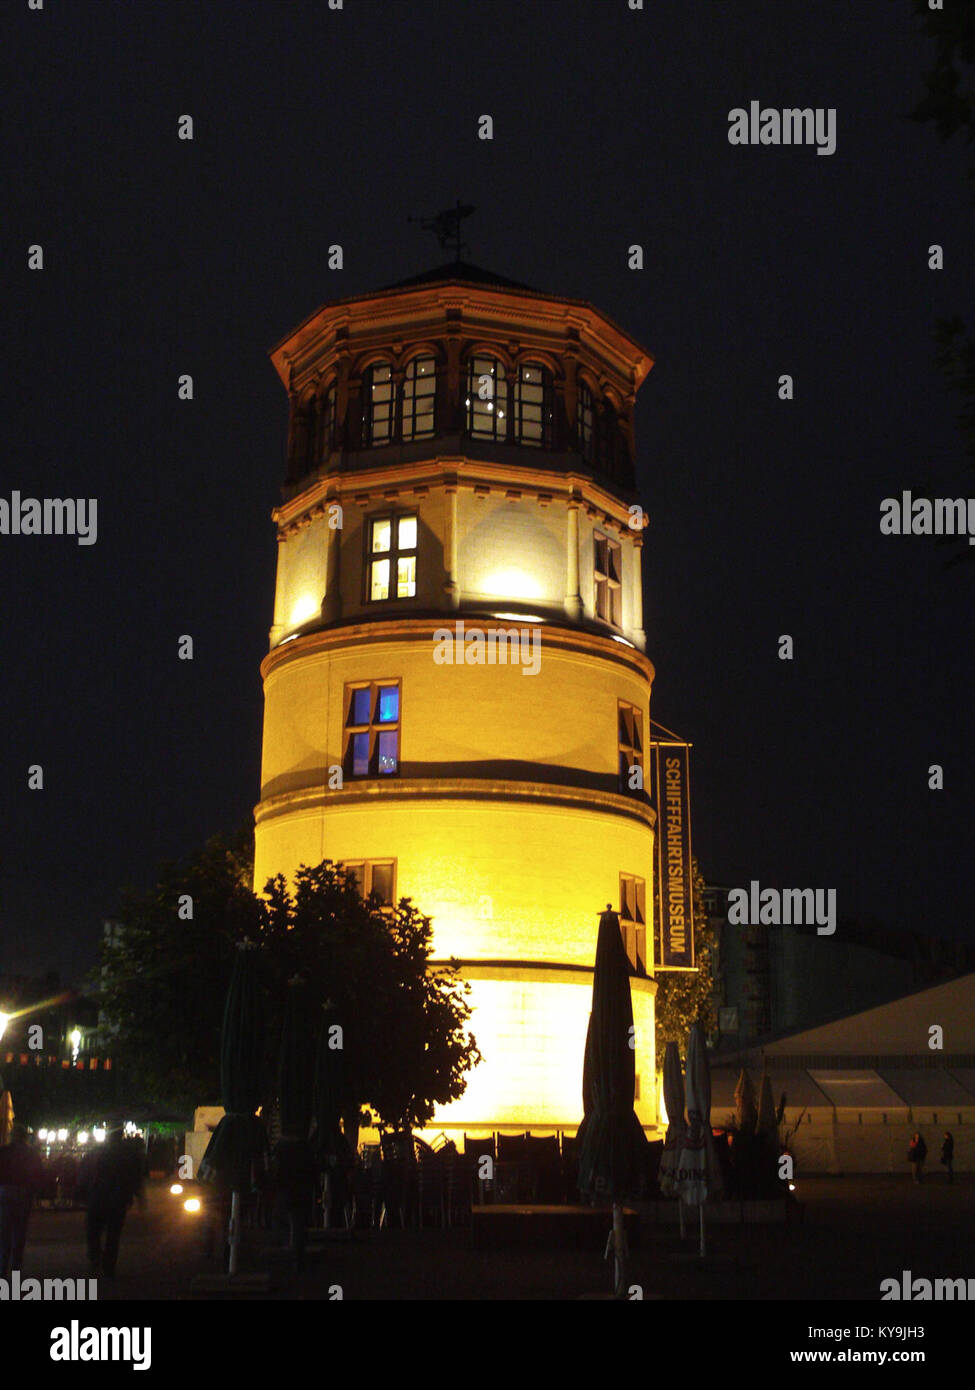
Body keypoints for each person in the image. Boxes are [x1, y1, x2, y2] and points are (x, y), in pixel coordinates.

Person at [76, 1129, 145, 1277]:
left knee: (93, 1230)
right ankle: (108, 1265)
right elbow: (136, 1176)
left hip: (98, 1196)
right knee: (113, 1235)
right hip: (118, 1198)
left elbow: (84, 1172)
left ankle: (95, 1258)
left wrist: (82, 1192)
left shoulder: (97, 1152)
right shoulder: (129, 1155)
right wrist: (138, 1197)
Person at [0, 1126, 46, 1275]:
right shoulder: (32, 1154)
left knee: (5, 1231)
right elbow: (38, 1175)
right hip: (23, 1194)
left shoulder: (4, 1152)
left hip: (6, 1192)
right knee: (19, 1231)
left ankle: (2, 1266)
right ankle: (16, 1266)